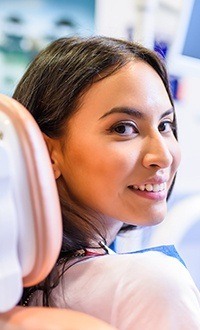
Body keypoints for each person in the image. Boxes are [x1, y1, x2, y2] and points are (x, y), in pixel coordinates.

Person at [13, 36, 200, 329]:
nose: (162, 156)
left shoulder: (20, 287)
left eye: (165, 125)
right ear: (48, 153)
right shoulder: (150, 285)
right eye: (124, 128)